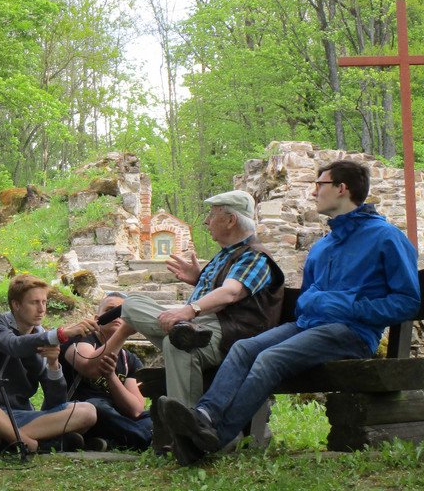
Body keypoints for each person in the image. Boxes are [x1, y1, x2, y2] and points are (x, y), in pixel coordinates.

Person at [158, 160, 422, 465]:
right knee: (244, 349)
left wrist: (347, 307)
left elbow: (406, 302)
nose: (313, 193)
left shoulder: (386, 237)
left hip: (353, 333)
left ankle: (215, 436)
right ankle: (203, 416)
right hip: (308, 326)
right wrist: (313, 303)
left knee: (271, 359)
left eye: (319, 185)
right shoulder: (323, 246)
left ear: (341, 188)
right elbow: (309, 296)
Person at [98, 190, 284, 408]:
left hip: (230, 336)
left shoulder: (254, 256)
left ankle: (185, 423)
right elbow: (225, 290)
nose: (206, 221)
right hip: (202, 327)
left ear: (231, 220)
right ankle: (184, 334)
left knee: (176, 344)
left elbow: (231, 293)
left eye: (212, 215)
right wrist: (199, 280)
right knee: (132, 304)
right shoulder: (227, 254)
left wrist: (189, 310)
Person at [0, 274, 100, 453]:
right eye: (34, 302)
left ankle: (6, 441)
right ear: (16, 305)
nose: (41, 309)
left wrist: (53, 364)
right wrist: (61, 334)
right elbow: (14, 345)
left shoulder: (42, 337)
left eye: (44, 302)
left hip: (17, 416)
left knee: (87, 411)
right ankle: (34, 442)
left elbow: (55, 402)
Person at [61, 292, 152, 451]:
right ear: (97, 317)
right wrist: (123, 332)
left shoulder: (129, 360)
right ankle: (145, 439)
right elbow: (90, 367)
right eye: (111, 310)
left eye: (122, 312)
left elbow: (136, 409)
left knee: (152, 415)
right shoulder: (79, 339)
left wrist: (111, 377)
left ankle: (109, 441)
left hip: (117, 418)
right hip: (83, 413)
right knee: (98, 405)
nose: (117, 316)